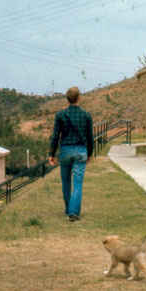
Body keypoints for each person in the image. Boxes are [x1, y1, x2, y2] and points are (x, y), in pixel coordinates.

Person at [48, 86, 94, 222]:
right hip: (80, 151)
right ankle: (74, 212)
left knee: (66, 181)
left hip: (65, 151)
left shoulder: (60, 115)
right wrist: (90, 154)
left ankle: (68, 209)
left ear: (67, 99)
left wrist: (51, 154)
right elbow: (90, 137)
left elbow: (55, 136)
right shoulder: (86, 115)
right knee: (78, 183)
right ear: (79, 98)